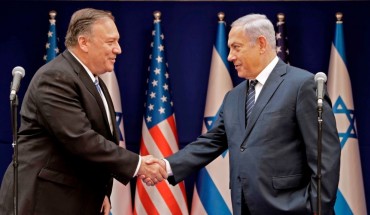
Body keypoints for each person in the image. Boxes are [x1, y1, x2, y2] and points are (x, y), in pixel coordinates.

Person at [146, 13, 340, 215]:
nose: (230, 56)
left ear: (262, 44)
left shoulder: (302, 85)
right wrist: (166, 165)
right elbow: (211, 142)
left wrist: (317, 208)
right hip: (244, 207)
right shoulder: (234, 96)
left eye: (236, 47)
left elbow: (324, 156)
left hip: (294, 210)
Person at [0, 8, 166, 215]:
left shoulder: (92, 81)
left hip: (75, 198)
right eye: (110, 42)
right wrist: (139, 164)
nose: (118, 49)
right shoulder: (56, 77)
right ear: (84, 42)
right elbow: (79, 139)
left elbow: (97, 139)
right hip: (45, 201)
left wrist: (101, 192)